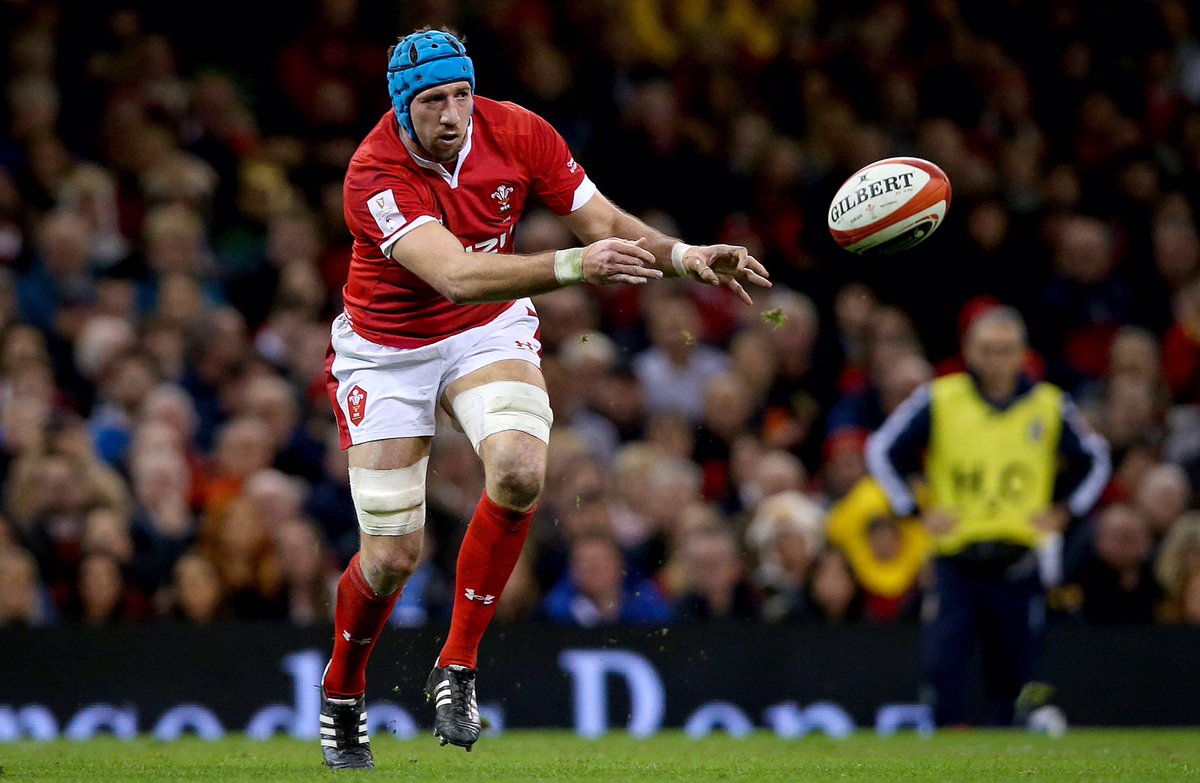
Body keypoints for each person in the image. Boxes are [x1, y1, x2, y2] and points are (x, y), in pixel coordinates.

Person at [317, 28, 770, 769]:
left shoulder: (519, 130)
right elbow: (455, 274)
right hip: (388, 350)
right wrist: (573, 266)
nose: (452, 114)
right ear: (401, 107)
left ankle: (457, 665)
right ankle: (342, 689)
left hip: (486, 327)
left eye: (461, 95)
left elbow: (603, 223)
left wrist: (686, 256)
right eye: (432, 102)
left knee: (522, 469)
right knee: (393, 555)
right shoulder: (374, 172)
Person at [866, 306, 1110, 726]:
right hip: (956, 560)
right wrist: (915, 510)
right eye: (987, 349)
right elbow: (882, 450)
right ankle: (944, 742)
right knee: (942, 669)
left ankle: (1010, 749)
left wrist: (1065, 511)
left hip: (1019, 559)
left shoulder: (1048, 404)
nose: (996, 359)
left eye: (1006, 349)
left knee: (1015, 678)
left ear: (1022, 353)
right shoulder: (941, 398)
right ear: (969, 351)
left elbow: (1096, 459)